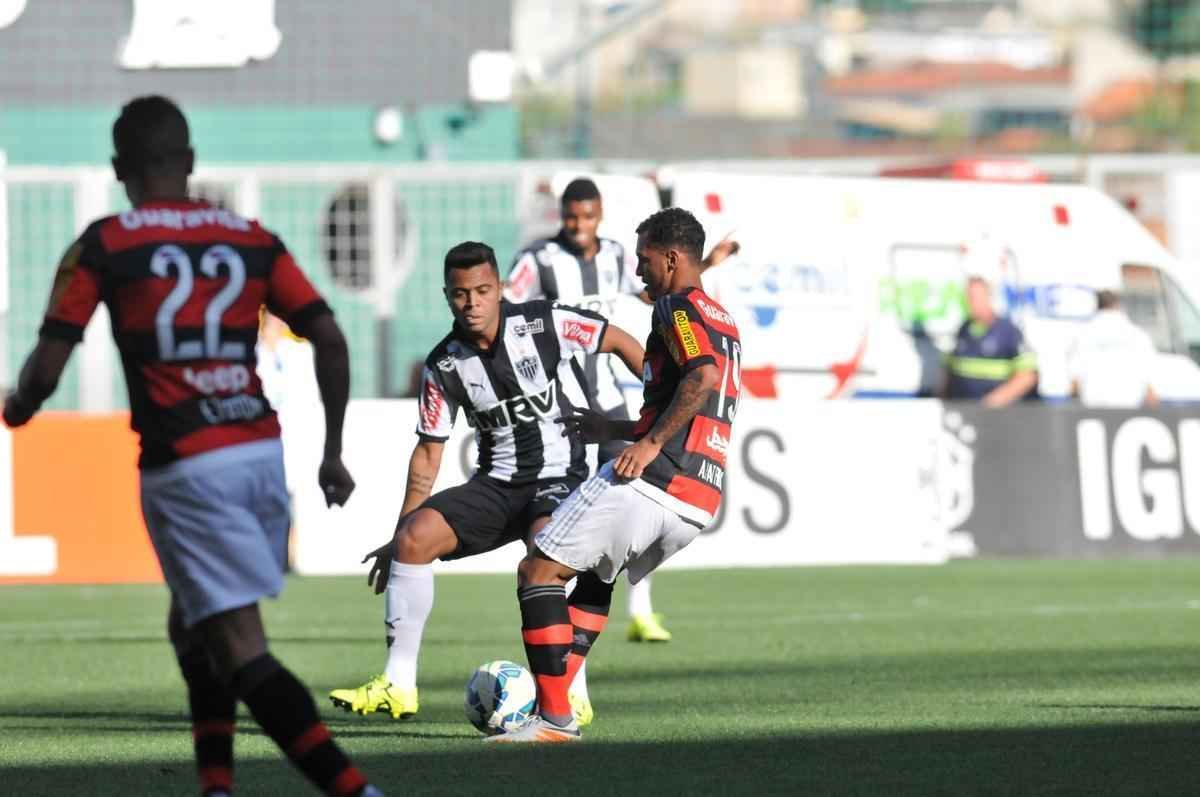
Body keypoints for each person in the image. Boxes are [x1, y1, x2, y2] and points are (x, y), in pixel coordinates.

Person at [2, 96, 380, 796]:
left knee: (240, 645)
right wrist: (332, 449)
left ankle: (356, 790)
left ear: (120, 168)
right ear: (191, 162)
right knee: (191, 625)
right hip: (260, 453)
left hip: (186, 463)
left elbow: (47, 367)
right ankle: (216, 787)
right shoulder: (252, 239)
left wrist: (18, 405)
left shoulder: (105, 244)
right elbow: (329, 335)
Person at [328, 241, 645, 726]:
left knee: (546, 556)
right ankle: (397, 683)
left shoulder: (544, 322)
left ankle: (571, 691)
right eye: (460, 294)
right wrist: (397, 534)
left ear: (499, 288)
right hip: (496, 485)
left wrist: (657, 406)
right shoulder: (444, 365)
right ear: (447, 296)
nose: (472, 303)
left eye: (481, 290)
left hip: (560, 477)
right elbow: (428, 453)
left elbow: (620, 340)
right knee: (413, 541)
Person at [488, 207, 742, 743]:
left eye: (646, 260)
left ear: (672, 258)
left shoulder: (676, 306)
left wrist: (646, 444)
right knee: (595, 575)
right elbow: (697, 393)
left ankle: (554, 718)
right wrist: (619, 424)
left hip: (658, 478)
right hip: (699, 495)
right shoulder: (721, 318)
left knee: (537, 571)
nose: (639, 272)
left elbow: (703, 376)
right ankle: (557, 703)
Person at [942, 276, 1038, 406]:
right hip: (962, 414)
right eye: (969, 297)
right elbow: (949, 370)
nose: (972, 302)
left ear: (988, 297)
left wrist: (993, 402)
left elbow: (1027, 376)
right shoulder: (963, 329)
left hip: (996, 417)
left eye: (977, 297)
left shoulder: (1008, 332)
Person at [1069, 289, 1158, 408]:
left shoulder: (1084, 334)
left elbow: (1075, 376)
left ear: (1097, 305)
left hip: (1093, 404)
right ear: (1117, 305)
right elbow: (1148, 370)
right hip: (1129, 401)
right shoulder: (1136, 333)